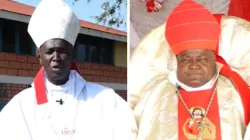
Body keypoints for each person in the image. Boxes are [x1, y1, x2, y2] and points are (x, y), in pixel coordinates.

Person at [0, 0, 136, 139]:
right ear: (40, 58)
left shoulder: (106, 99)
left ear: (72, 55)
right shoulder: (21, 106)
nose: (56, 57)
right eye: (49, 52)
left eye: (62, 51)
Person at [129, 0, 250, 139]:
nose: (194, 65)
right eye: (186, 59)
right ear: (176, 61)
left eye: (202, 59)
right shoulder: (155, 97)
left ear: (213, 61)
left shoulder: (234, 93)